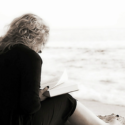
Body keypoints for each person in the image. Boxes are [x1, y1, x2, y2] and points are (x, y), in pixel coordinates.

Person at [0, 13, 122, 125]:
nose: (41, 50)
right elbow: (29, 107)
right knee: (65, 99)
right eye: (43, 43)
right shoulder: (30, 56)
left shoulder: (2, 51)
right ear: (36, 38)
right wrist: (40, 96)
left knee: (63, 113)